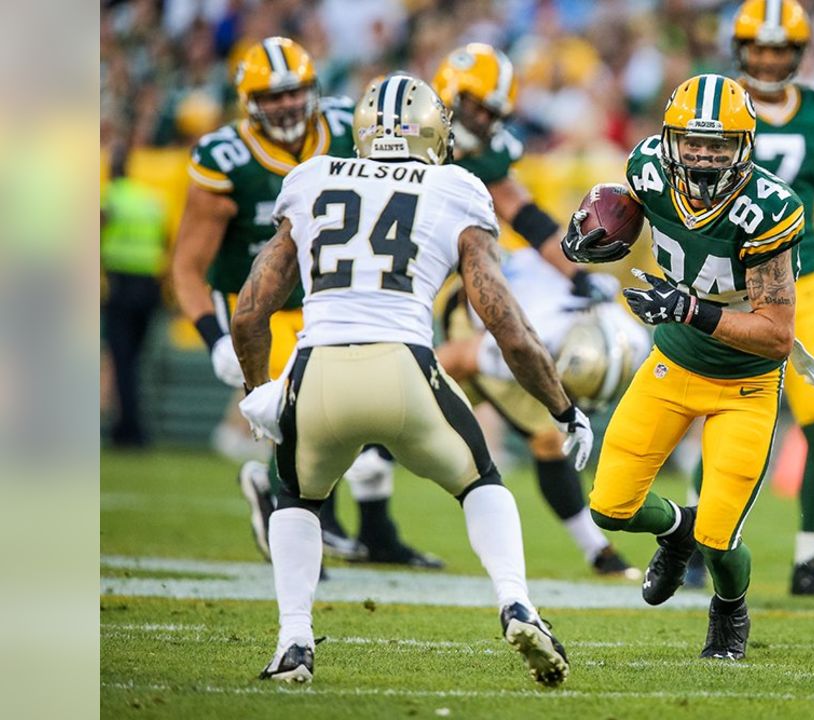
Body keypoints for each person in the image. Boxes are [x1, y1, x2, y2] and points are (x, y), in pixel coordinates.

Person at [232, 75, 590, 685]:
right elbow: (507, 326)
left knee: (296, 496)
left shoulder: (312, 176)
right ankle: (516, 601)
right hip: (404, 367)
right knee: (480, 481)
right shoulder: (456, 186)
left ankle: (294, 642)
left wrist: (258, 392)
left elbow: (248, 311)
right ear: (435, 131)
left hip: (315, 371)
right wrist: (563, 409)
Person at [563, 74, 814, 659]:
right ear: (670, 140)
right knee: (610, 506)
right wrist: (597, 228)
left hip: (743, 385)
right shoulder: (648, 168)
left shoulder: (768, 210)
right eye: (693, 142)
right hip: (673, 365)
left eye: (719, 144)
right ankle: (674, 528)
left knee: (720, 536)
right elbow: (629, 208)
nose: (704, 156)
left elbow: (778, 336)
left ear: (745, 145)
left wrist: (689, 307)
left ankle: (729, 610)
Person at [170, 37, 438, 569]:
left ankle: (366, 530)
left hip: (332, 294)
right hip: (259, 308)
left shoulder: (347, 128)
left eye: (294, 91)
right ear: (248, 102)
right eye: (271, 96)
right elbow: (186, 267)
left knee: (376, 397)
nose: (287, 104)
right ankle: (288, 518)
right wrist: (215, 337)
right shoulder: (228, 159)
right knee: (300, 417)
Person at [430, 47, 640, 577]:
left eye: (494, 111)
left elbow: (526, 215)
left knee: (543, 431)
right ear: (450, 92)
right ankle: (341, 514)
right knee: (392, 406)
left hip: (471, 300)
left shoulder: (485, 153)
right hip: (427, 297)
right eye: (478, 107)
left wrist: (576, 273)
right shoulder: (410, 142)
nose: (487, 120)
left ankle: (597, 551)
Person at [716, 0, 814, 597]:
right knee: (716, 407)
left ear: (798, 54)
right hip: (727, 280)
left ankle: (811, 563)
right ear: (741, 48)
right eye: (759, 47)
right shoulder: (715, 106)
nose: (767, 58)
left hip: (802, 282)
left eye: (779, 49)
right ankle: (699, 536)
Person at [101, 146, 168, 448]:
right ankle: (131, 426)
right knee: (134, 361)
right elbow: (166, 239)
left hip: (120, 284)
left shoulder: (110, 197)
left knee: (122, 360)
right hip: (150, 285)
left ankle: (128, 430)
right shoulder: (149, 199)